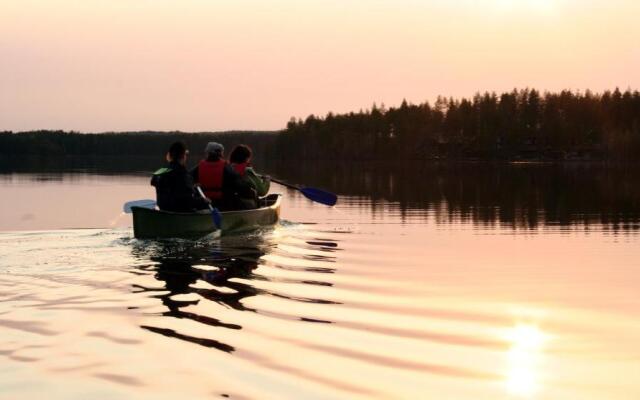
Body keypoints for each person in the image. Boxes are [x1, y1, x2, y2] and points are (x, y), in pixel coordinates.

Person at [191, 142, 255, 210]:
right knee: (248, 203)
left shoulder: (199, 167)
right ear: (220, 153)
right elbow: (240, 186)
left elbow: (187, 180)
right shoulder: (226, 167)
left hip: (204, 204)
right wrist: (251, 192)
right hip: (224, 205)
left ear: (208, 153)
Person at [150, 141, 210, 212]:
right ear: (183, 156)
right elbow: (187, 201)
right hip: (181, 212)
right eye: (185, 154)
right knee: (207, 210)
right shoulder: (183, 174)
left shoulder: (161, 171)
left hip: (164, 210)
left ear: (170, 155)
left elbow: (170, 188)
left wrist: (192, 187)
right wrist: (203, 201)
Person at [228, 144, 271, 209]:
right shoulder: (247, 171)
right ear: (246, 158)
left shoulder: (228, 168)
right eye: (249, 158)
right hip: (247, 206)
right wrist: (267, 181)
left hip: (229, 204)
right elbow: (262, 191)